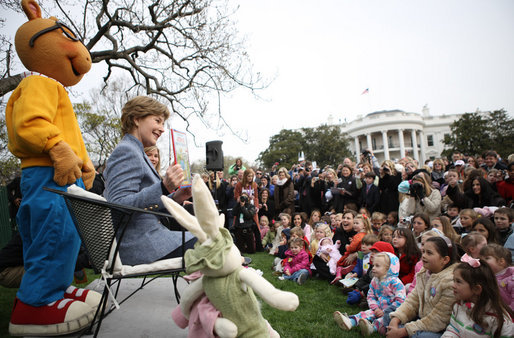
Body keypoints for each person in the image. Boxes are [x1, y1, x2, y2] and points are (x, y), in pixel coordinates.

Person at [104, 96, 195, 265]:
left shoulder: (136, 151)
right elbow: (118, 205)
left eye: (163, 124)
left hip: (153, 239)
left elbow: (145, 203)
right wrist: (164, 186)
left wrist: (176, 197)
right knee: (216, 244)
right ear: (136, 119)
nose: (162, 129)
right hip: (139, 244)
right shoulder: (126, 151)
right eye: (158, 121)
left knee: (217, 241)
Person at [385, 236, 458, 338]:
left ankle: (397, 332)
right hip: (421, 318)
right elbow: (412, 301)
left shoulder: (451, 281)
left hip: (438, 329)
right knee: (389, 312)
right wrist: (395, 320)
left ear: (445, 260)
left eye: (429, 253)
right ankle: (395, 330)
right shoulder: (424, 272)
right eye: (423, 251)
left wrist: (404, 331)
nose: (423, 256)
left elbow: (438, 319)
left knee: (423, 336)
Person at [334, 252, 406, 336]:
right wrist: (375, 308)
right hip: (377, 309)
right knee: (365, 313)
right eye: (373, 265)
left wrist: (386, 311)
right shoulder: (375, 280)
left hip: (391, 312)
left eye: (377, 266)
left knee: (382, 320)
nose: (373, 268)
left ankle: (372, 328)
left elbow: (401, 300)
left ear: (388, 268)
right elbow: (371, 296)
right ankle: (350, 321)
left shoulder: (396, 283)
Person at [442, 255, 513, 337]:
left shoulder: (496, 318)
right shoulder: (459, 306)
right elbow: (453, 329)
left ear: (476, 289)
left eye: (458, 281)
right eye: (453, 280)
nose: (453, 285)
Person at [333, 214, 373, 284]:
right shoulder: (366, 234)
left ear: (364, 225)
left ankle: (340, 274)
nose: (354, 225)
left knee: (339, 264)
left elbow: (352, 248)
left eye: (357, 223)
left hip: (357, 258)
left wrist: (348, 246)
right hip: (361, 257)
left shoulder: (358, 236)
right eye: (354, 223)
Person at [234, 169, 262, 251]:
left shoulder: (254, 185)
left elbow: (256, 197)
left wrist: (256, 206)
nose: (250, 178)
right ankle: (240, 246)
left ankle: (258, 247)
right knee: (240, 226)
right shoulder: (239, 185)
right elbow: (236, 196)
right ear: (245, 176)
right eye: (249, 176)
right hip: (242, 208)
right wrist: (243, 197)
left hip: (252, 208)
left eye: (252, 176)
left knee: (256, 227)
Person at [479, 244, 513, 309]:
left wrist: (510, 313)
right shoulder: (485, 276)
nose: (482, 262)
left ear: (501, 261)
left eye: (487, 258)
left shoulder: (511, 279)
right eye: (481, 259)